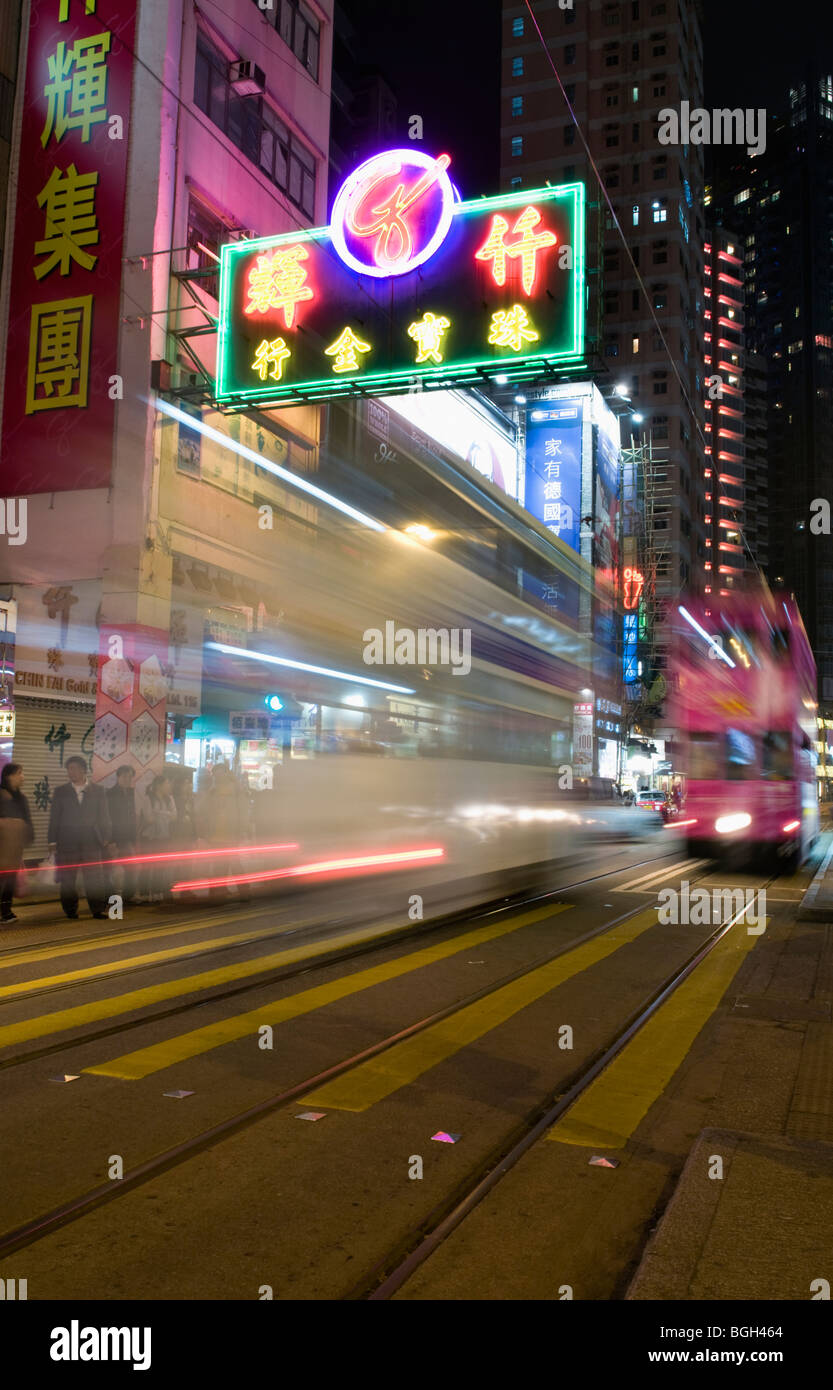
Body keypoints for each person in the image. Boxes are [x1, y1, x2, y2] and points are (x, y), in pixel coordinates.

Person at [47, 756, 114, 920]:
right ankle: (70, 910)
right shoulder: (61, 791)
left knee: (94, 878)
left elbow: (104, 816)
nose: (72, 772)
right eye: (69, 769)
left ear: (84, 770)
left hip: (91, 841)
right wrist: (52, 841)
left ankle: (97, 909)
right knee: (68, 878)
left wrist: (106, 837)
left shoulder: (98, 790)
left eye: (75, 768)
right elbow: (55, 817)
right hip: (67, 842)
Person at [196, 763, 252, 899]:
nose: (217, 776)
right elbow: (201, 809)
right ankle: (217, 893)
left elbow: (244, 811)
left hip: (231, 834)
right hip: (215, 835)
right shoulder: (212, 791)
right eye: (215, 773)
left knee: (234, 864)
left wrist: (243, 829)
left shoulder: (237, 790)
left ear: (226, 773)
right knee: (219, 865)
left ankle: (244, 892)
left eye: (220, 772)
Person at [0, 763, 34, 924]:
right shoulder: (1, 795)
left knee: (10, 881)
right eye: (19, 773)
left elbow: (27, 821)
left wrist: (28, 835)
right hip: (2, 847)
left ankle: (6, 911)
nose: (23, 777)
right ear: (8, 776)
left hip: (14, 849)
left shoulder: (21, 798)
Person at [138, 773, 178, 902]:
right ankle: (144, 893)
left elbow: (174, 816)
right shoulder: (148, 798)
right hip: (149, 837)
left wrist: (159, 813)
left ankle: (157, 892)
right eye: (167, 783)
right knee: (146, 866)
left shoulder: (169, 798)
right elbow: (149, 819)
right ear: (159, 785)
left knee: (160, 866)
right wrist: (166, 814)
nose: (169, 786)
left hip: (164, 837)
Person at [107, 765, 138, 904]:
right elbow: (107, 818)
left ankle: (127, 896)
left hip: (128, 837)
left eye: (130, 776)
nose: (127, 779)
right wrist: (110, 840)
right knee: (111, 870)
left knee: (131, 868)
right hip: (113, 838)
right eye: (124, 776)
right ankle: (110, 898)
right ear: (118, 777)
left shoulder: (133, 793)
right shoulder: (109, 794)